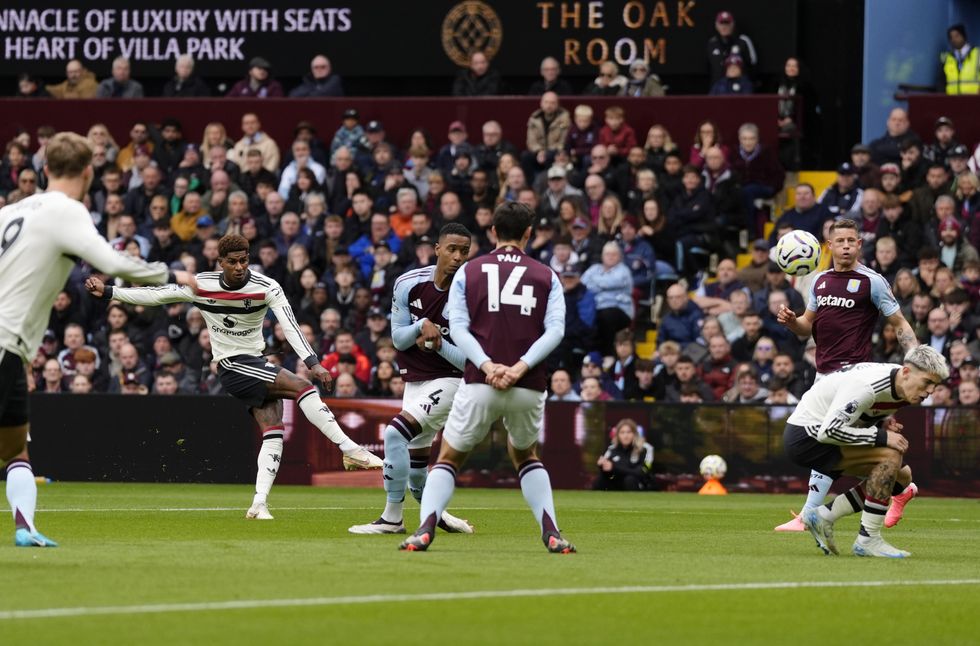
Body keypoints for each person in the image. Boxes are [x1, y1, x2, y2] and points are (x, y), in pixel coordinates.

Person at [85, 234, 383, 520]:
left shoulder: (267, 287)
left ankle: (259, 504)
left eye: (244, 261)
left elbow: (290, 325)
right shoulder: (202, 285)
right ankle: (350, 449)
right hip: (231, 365)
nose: (240, 267)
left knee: (274, 431)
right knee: (302, 386)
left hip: (255, 361)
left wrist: (312, 360)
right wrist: (111, 291)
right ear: (221, 262)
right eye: (233, 262)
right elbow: (158, 295)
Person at [0, 132, 192, 547]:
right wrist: (177, 276)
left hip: (12, 347)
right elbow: (111, 262)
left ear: (45, 169)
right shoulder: (66, 210)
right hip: (5, 342)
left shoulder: (11, 211)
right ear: (89, 172)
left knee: (15, 447)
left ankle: (25, 527)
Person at [399, 202, 575, 553]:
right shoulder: (546, 275)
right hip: (527, 384)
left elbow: (459, 329)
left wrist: (488, 365)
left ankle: (424, 529)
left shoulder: (470, 271)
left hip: (481, 380)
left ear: (493, 231)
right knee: (525, 455)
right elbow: (556, 331)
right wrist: (521, 367)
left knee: (448, 458)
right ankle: (552, 531)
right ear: (529, 233)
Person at [774, 218, 921, 533]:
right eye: (839, 241)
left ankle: (808, 516)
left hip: (856, 378)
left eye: (850, 241)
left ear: (858, 245)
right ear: (828, 246)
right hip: (823, 376)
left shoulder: (872, 281)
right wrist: (791, 322)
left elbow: (899, 323)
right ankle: (904, 488)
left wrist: (916, 359)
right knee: (842, 447)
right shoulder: (820, 281)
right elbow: (807, 327)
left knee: (827, 438)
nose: (845, 246)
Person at [348, 224, 475, 535]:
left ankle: (392, 519)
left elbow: (471, 362)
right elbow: (398, 339)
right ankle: (440, 517)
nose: (458, 257)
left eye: (464, 251)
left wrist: (438, 343)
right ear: (437, 249)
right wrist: (421, 327)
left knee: (394, 435)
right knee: (418, 472)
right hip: (415, 381)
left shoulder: (472, 294)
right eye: (452, 249)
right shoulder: (408, 282)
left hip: (453, 381)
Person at [788, 346, 948, 557]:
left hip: (819, 435)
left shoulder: (900, 383)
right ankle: (868, 539)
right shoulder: (868, 386)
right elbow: (829, 430)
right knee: (890, 455)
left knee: (902, 477)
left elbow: (863, 410)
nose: (930, 391)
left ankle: (822, 516)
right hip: (807, 437)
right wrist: (881, 436)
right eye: (927, 382)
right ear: (907, 372)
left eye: (934, 386)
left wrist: (882, 421)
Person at [593, 419, 653, 491]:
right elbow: (608, 472)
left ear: (635, 434)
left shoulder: (645, 448)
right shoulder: (611, 449)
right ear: (617, 435)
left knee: (629, 480)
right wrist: (601, 466)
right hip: (617, 482)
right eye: (622, 432)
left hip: (640, 484)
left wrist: (614, 467)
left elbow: (642, 472)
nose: (625, 435)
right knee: (600, 479)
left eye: (629, 432)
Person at [706, 10, 757, 88]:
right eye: (721, 23)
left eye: (727, 23)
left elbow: (753, 64)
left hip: (740, 89)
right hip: (718, 90)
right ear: (716, 25)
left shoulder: (743, 41)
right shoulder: (712, 43)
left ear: (732, 24)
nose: (724, 26)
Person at [940, 24, 979, 95]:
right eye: (951, 37)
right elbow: (941, 81)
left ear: (964, 36)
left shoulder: (977, 54)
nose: (954, 40)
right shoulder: (948, 58)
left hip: (974, 100)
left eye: (957, 36)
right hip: (952, 100)